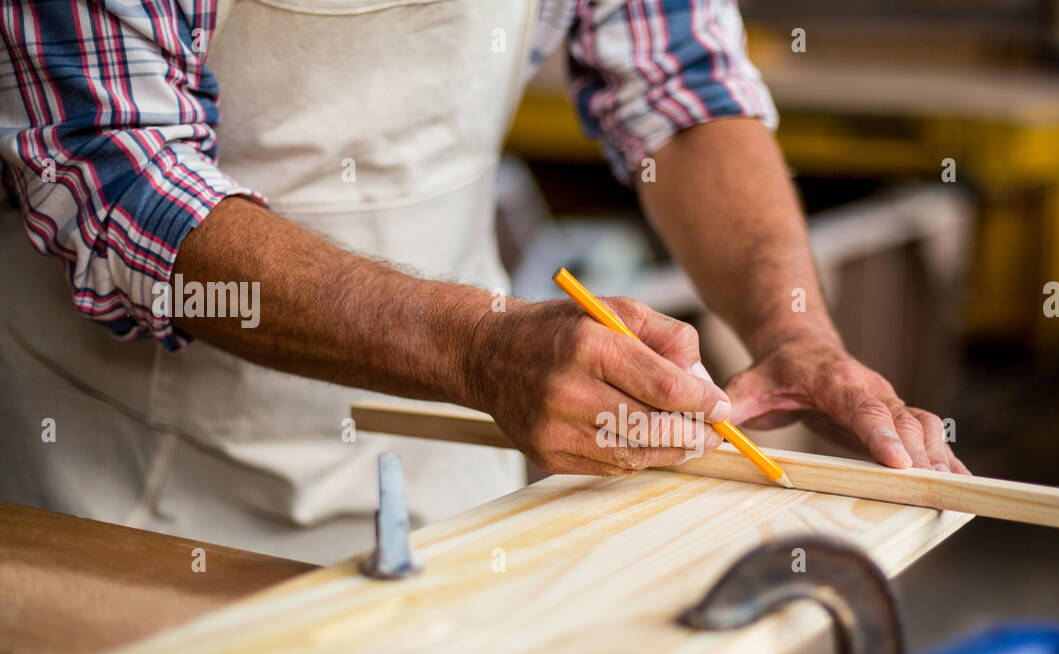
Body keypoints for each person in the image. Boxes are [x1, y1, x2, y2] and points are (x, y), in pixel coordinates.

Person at [0, 0, 966, 563]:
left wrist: (797, 331)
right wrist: (475, 344)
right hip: (140, 480)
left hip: (464, 452)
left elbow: (683, 78)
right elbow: (111, 166)